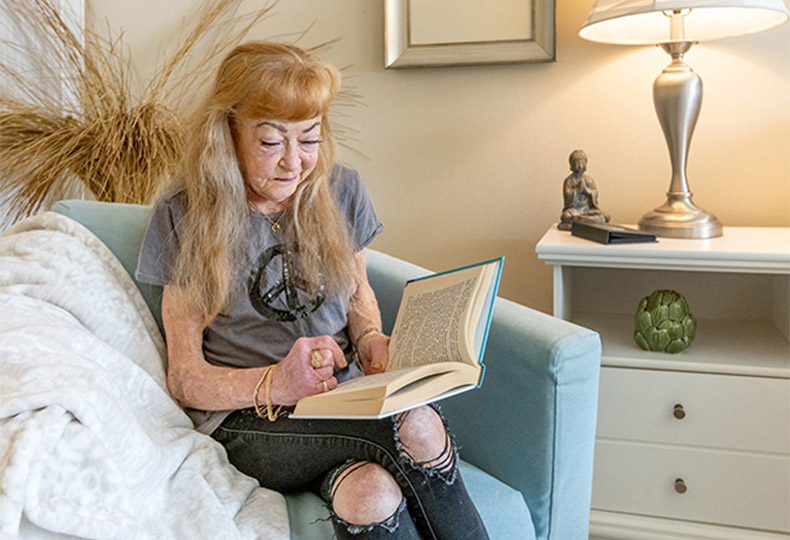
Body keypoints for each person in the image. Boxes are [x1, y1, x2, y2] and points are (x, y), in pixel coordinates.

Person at [135, 41, 489, 540]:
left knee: (369, 494)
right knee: (419, 426)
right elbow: (185, 377)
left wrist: (371, 343)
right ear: (229, 132)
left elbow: (359, 293)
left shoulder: (343, 190)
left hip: (341, 402)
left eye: (308, 139)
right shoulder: (185, 214)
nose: (293, 163)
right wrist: (277, 382)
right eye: (271, 141)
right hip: (250, 421)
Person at [558, 149, 610, 230]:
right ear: (571, 164)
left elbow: (595, 194)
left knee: (606, 215)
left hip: (588, 210)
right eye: (576, 162)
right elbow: (567, 196)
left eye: (582, 162)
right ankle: (590, 222)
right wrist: (577, 190)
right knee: (566, 216)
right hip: (575, 211)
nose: (579, 165)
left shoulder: (589, 180)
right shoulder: (568, 180)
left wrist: (586, 191)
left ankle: (581, 222)